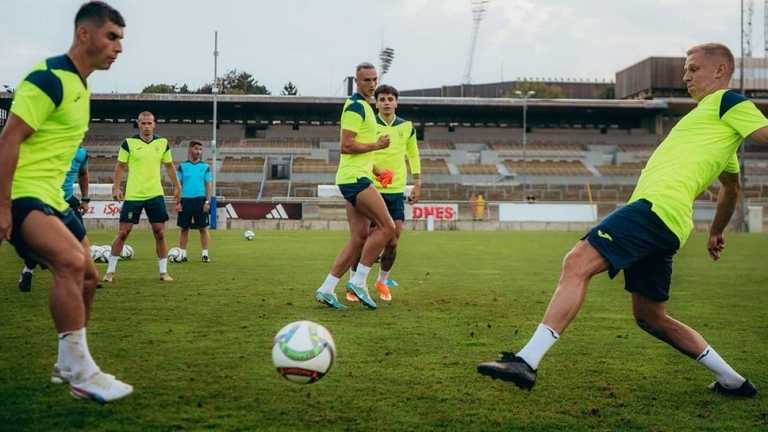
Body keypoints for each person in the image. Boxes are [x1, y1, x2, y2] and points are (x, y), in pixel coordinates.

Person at [478, 43, 761, 397]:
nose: (685, 76)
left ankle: (526, 361)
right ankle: (733, 381)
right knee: (651, 318)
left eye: (693, 69)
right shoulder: (717, 133)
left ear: (720, 71)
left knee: (577, 261)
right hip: (670, 224)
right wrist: (716, 231)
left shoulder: (728, 102)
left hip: (654, 210)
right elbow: (731, 188)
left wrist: (717, 229)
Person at [0, 1, 132, 402]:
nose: (118, 48)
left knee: (89, 277)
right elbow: (8, 140)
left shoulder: (81, 86)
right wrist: (2, 205)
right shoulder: (48, 79)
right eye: (112, 37)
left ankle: (67, 363)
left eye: (121, 40)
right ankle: (82, 373)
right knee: (71, 262)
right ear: (84, 34)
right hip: (23, 194)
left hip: (54, 199)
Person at [314, 62, 395, 310]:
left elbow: (359, 152)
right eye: (366, 80)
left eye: (374, 79)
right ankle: (359, 281)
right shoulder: (356, 107)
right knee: (388, 227)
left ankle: (326, 289)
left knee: (359, 238)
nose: (371, 84)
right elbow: (346, 146)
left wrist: (379, 171)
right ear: (356, 82)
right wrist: (377, 146)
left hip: (358, 177)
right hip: (354, 180)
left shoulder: (366, 109)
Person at [345, 84, 421, 302]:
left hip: (396, 190)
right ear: (376, 103)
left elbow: (413, 155)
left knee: (393, 240)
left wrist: (418, 182)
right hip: (369, 188)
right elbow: (356, 152)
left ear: (396, 102)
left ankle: (382, 281)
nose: (387, 102)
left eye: (390, 99)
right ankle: (353, 284)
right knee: (363, 239)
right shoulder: (368, 124)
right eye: (382, 99)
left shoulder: (406, 127)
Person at [103, 111, 181, 282]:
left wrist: (177, 185)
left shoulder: (162, 143)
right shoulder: (128, 143)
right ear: (138, 124)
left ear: (154, 124)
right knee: (124, 232)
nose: (146, 126)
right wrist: (116, 187)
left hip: (155, 193)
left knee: (159, 232)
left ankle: (163, 272)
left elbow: (169, 166)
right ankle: (109, 272)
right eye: (143, 123)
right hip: (133, 195)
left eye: (149, 123)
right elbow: (121, 166)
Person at [18, 146, 90, 292]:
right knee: (39, 244)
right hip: (45, 200)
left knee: (80, 238)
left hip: (68, 201)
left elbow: (83, 174)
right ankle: (28, 271)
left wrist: (85, 199)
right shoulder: (49, 146)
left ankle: (85, 276)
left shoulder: (81, 153)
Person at [176, 140, 212, 262]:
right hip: (185, 201)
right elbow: (177, 185)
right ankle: (183, 254)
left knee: (203, 228)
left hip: (200, 200)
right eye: (196, 149)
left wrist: (207, 202)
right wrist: (178, 202)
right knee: (184, 228)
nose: (199, 152)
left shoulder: (205, 167)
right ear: (190, 149)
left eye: (200, 149)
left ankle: (205, 254)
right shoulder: (182, 166)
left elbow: (208, 186)